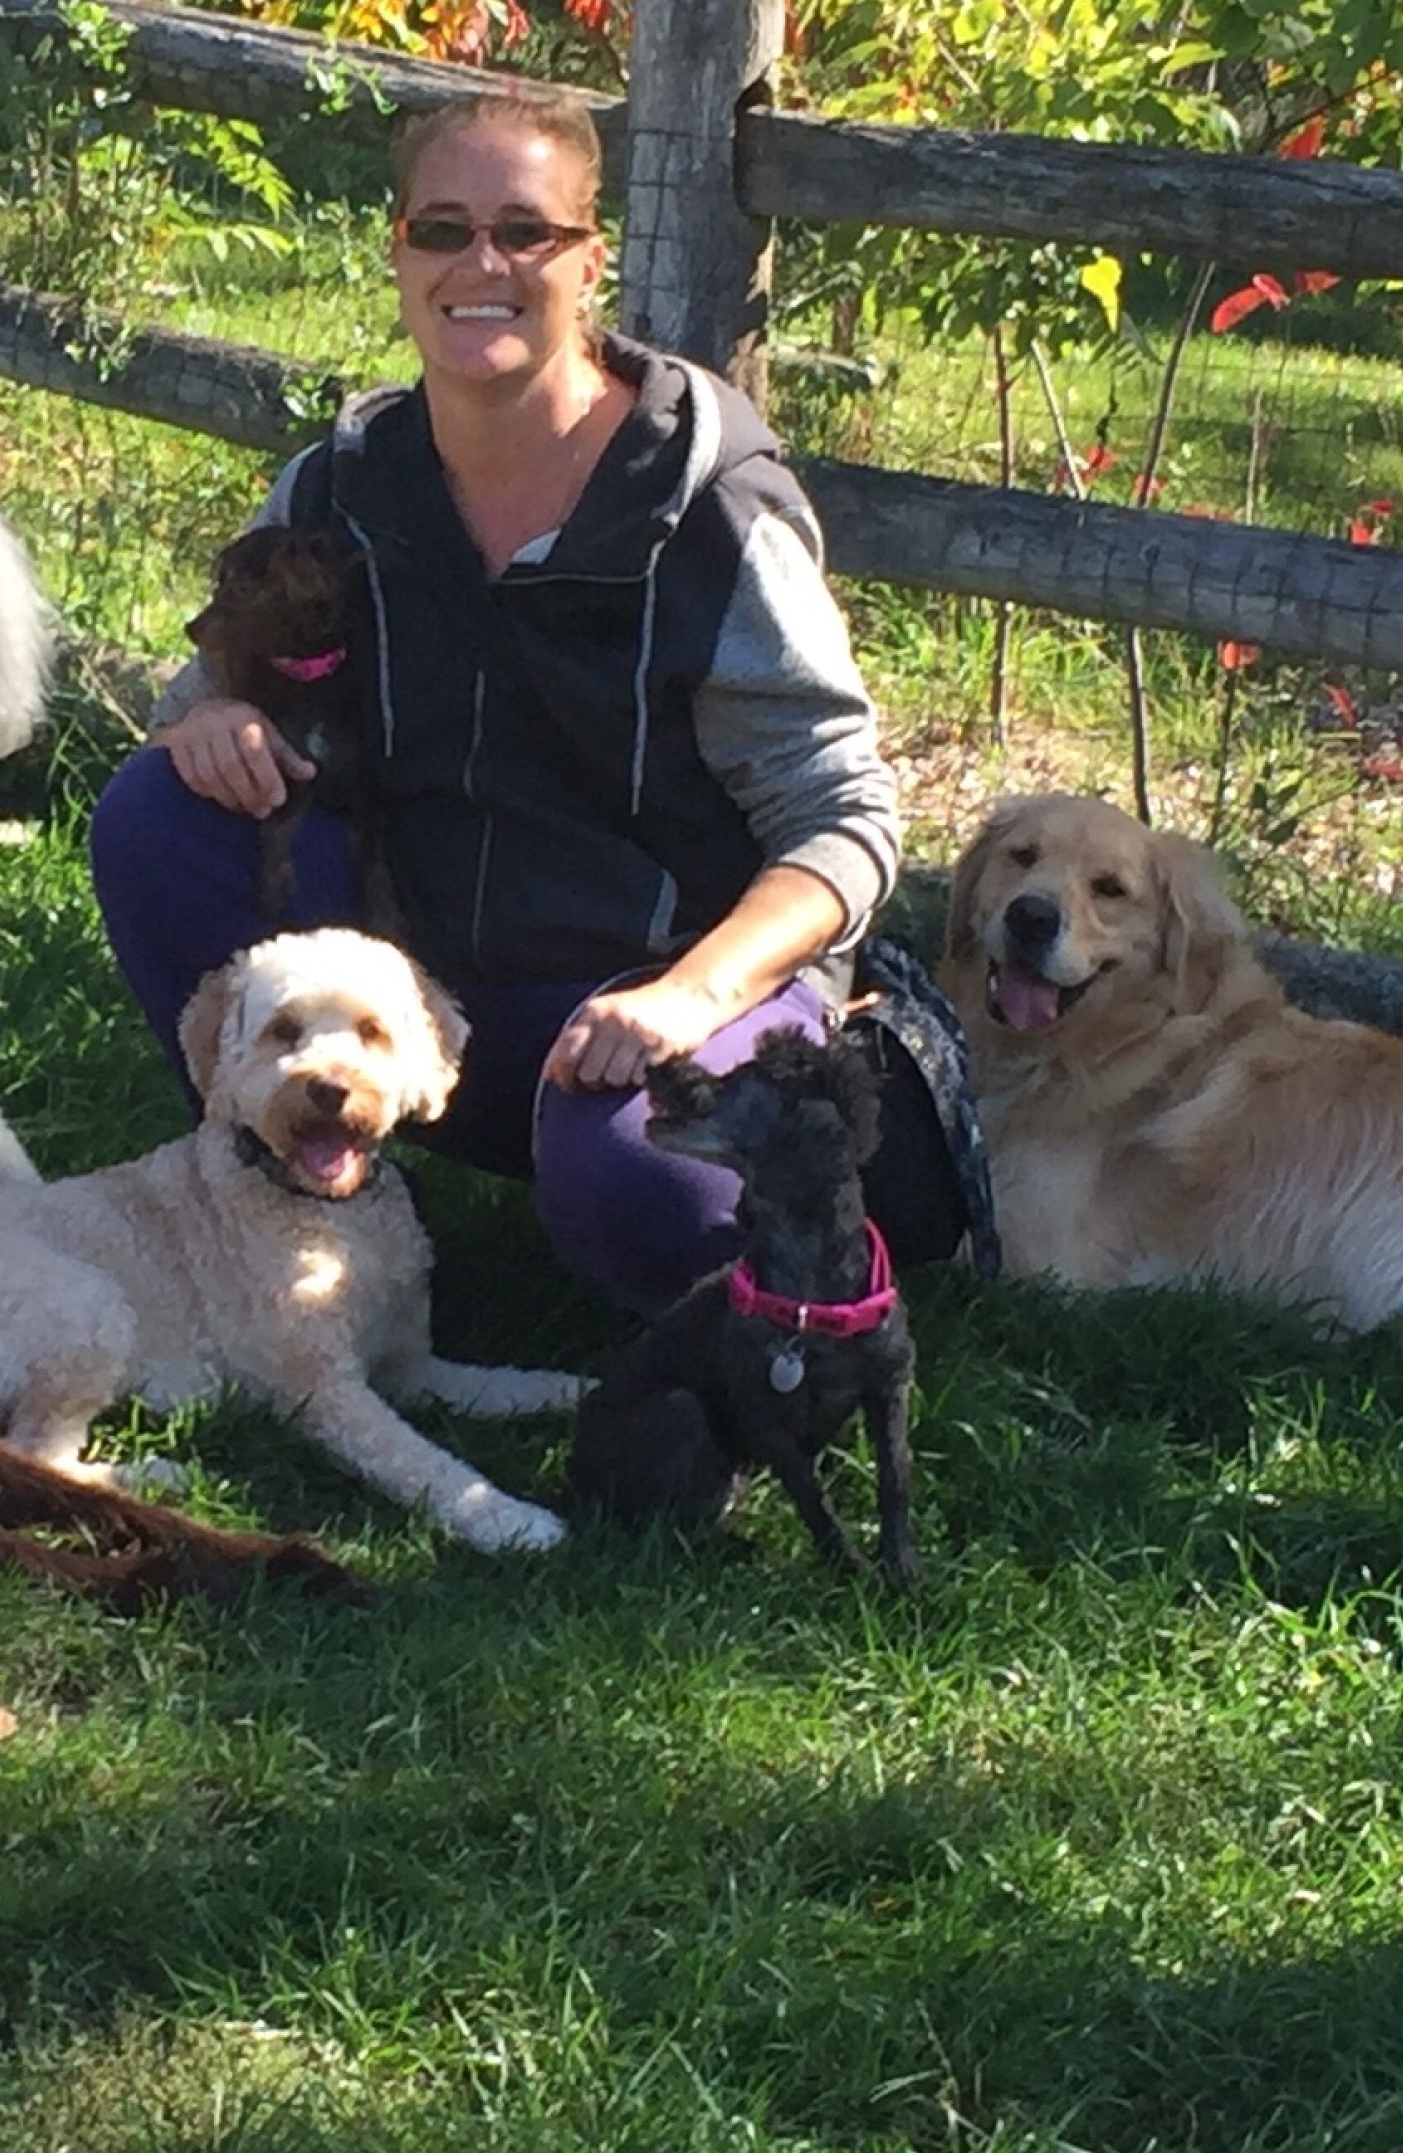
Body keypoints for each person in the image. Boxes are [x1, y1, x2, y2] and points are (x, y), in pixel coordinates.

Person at [88, 90, 903, 1315]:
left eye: (525, 231)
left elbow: (843, 816)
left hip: (657, 985)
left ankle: (708, 1208)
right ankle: (295, 1184)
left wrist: (689, 995)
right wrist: (206, 717)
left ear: (589, 261)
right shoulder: (342, 488)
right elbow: (205, 683)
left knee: (652, 1201)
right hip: (419, 985)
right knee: (158, 814)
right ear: (397, 253)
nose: (482, 265)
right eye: (442, 229)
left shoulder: (706, 512)